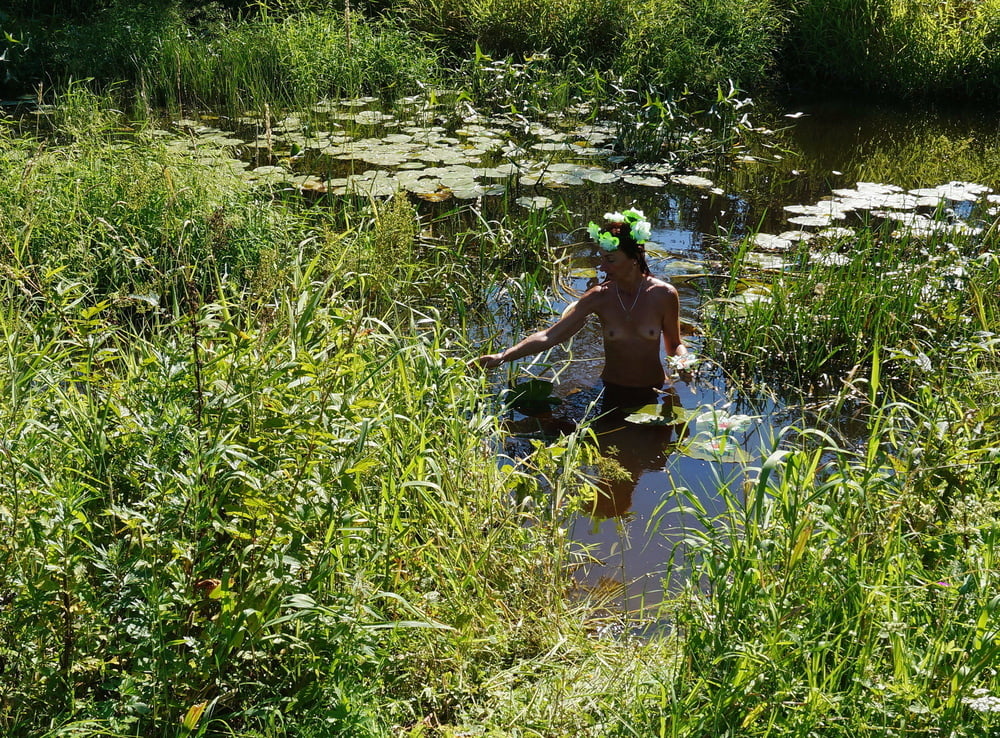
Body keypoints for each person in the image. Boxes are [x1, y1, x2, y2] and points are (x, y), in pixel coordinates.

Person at [474, 208, 688, 415]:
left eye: (610, 260)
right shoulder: (599, 297)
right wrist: (503, 356)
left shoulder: (664, 295)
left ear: (634, 258)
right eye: (602, 258)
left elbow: (674, 345)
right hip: (611, 390)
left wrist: (684, 361)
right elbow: (550, 336)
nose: (602, 267)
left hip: (655, 391)